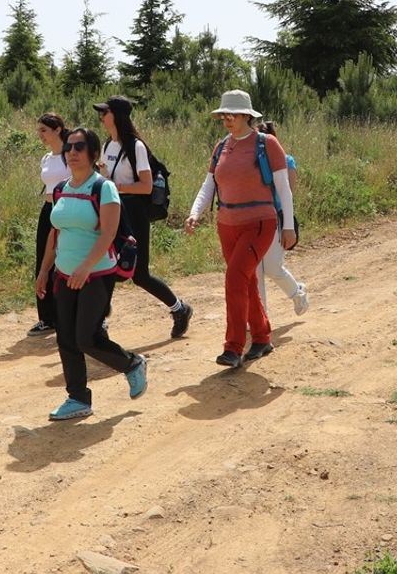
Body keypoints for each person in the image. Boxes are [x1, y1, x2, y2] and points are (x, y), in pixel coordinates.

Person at [36, 127, 148, 421]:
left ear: (93, 153)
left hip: (96, 274)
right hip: (64, 274)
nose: (72, 152)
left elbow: (109, 233)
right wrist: (45, 270)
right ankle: (77, 398)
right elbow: (54, 233)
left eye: (79, 147)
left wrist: (85, 267)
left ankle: (132, 364)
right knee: (66, 338)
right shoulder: (61, 188)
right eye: (69, 147)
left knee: (86, 337)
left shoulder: (103, 188)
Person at [185, 90, 296, 368]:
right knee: (245, 280)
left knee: (234, 279)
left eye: (232, 114)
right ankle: (261, 338)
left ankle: (233, 347)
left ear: (247, 115)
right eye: (224, 114)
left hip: (259, 223)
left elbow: (283, 188)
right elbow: (209, 183)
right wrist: (195, 213)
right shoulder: (222, 146)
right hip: (227, 224)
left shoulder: (266, 143)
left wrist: (289, 227)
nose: (226, 119)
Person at [96, 95, 192, 338]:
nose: (101, 116)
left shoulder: (136, 146)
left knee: (140, 275)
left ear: (116, 115)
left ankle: (180, 309)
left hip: (134, 212)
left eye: (104, 112)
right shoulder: (108, 144)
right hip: (114, 209)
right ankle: (99, 324)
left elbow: (146, 186)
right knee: (107, 267)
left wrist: (116, 186)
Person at [255, 121, 308, 319]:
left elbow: (289, 193)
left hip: (276, 217)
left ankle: (298, 293)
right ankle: (261, 317)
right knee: (256, 270)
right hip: (255, 218)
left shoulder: (286, 160)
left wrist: (287, 225)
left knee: (272, 267)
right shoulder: (251, 161)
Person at [29, 113, 71, 337]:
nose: (40, 135)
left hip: (67, 211)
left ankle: (68, 312)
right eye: (39, 131)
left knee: (65, 259)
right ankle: (46, 318)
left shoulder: (70, 156)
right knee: (42, 260)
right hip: (48, 210)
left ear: (57, 129)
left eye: (44, 130)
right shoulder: (46, 158)